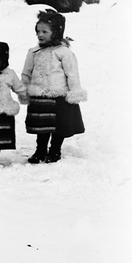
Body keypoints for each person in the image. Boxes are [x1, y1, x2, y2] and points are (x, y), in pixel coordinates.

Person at [21, 10, 87, 164]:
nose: (40, 35)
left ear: (56, 32)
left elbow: (72, 73)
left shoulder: (64, 52)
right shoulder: (33, 52)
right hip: (39, 96)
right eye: (38, 31)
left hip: (59, 96)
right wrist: (24, 89)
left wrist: (74, 92)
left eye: (45, 31)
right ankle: (40, 150)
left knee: (59, 125)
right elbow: (26, 72)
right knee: (42, 126)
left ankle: (55, 150)